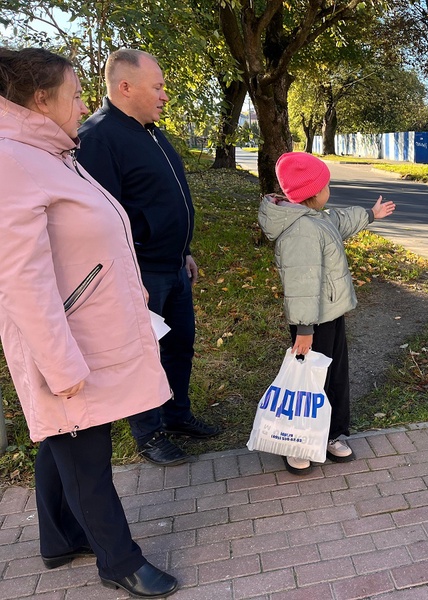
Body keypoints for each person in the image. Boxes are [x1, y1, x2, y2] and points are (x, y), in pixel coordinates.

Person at [0, 47, 178, 597]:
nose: (83, 106)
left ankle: (58, 539)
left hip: (88, 326)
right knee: (84, 448)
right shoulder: (11, 160)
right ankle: (118, 560)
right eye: (75, 96)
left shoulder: (48, 153)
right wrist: (58, 365)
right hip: (64, 340)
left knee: (65, 436)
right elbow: (21, 280)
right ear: (40, 101)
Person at [77, 49, 221, 467]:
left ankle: (177, 417)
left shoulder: (151, 131)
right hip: (141, 275)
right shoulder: (99, 138)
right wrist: (127, 275)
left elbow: (162, 198)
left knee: (179, 347)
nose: (164, 96)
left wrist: (185, 250)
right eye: (157, 87)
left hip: (173, 267)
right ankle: (150, 433)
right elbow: (99, 220)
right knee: (144, 356)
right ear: (125, 87)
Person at [258, 152, 395, 475]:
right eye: (326, 186)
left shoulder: (315, 219)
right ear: (313, 194)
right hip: (312, 322)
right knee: (309, 383)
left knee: (332, 377)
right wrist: (305, 329)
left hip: (329, 314)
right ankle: (298, 442)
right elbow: (302, 283)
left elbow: (339, 222)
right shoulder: (300, 231)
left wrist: (370, 215)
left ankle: (331, 434)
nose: (329, 191)